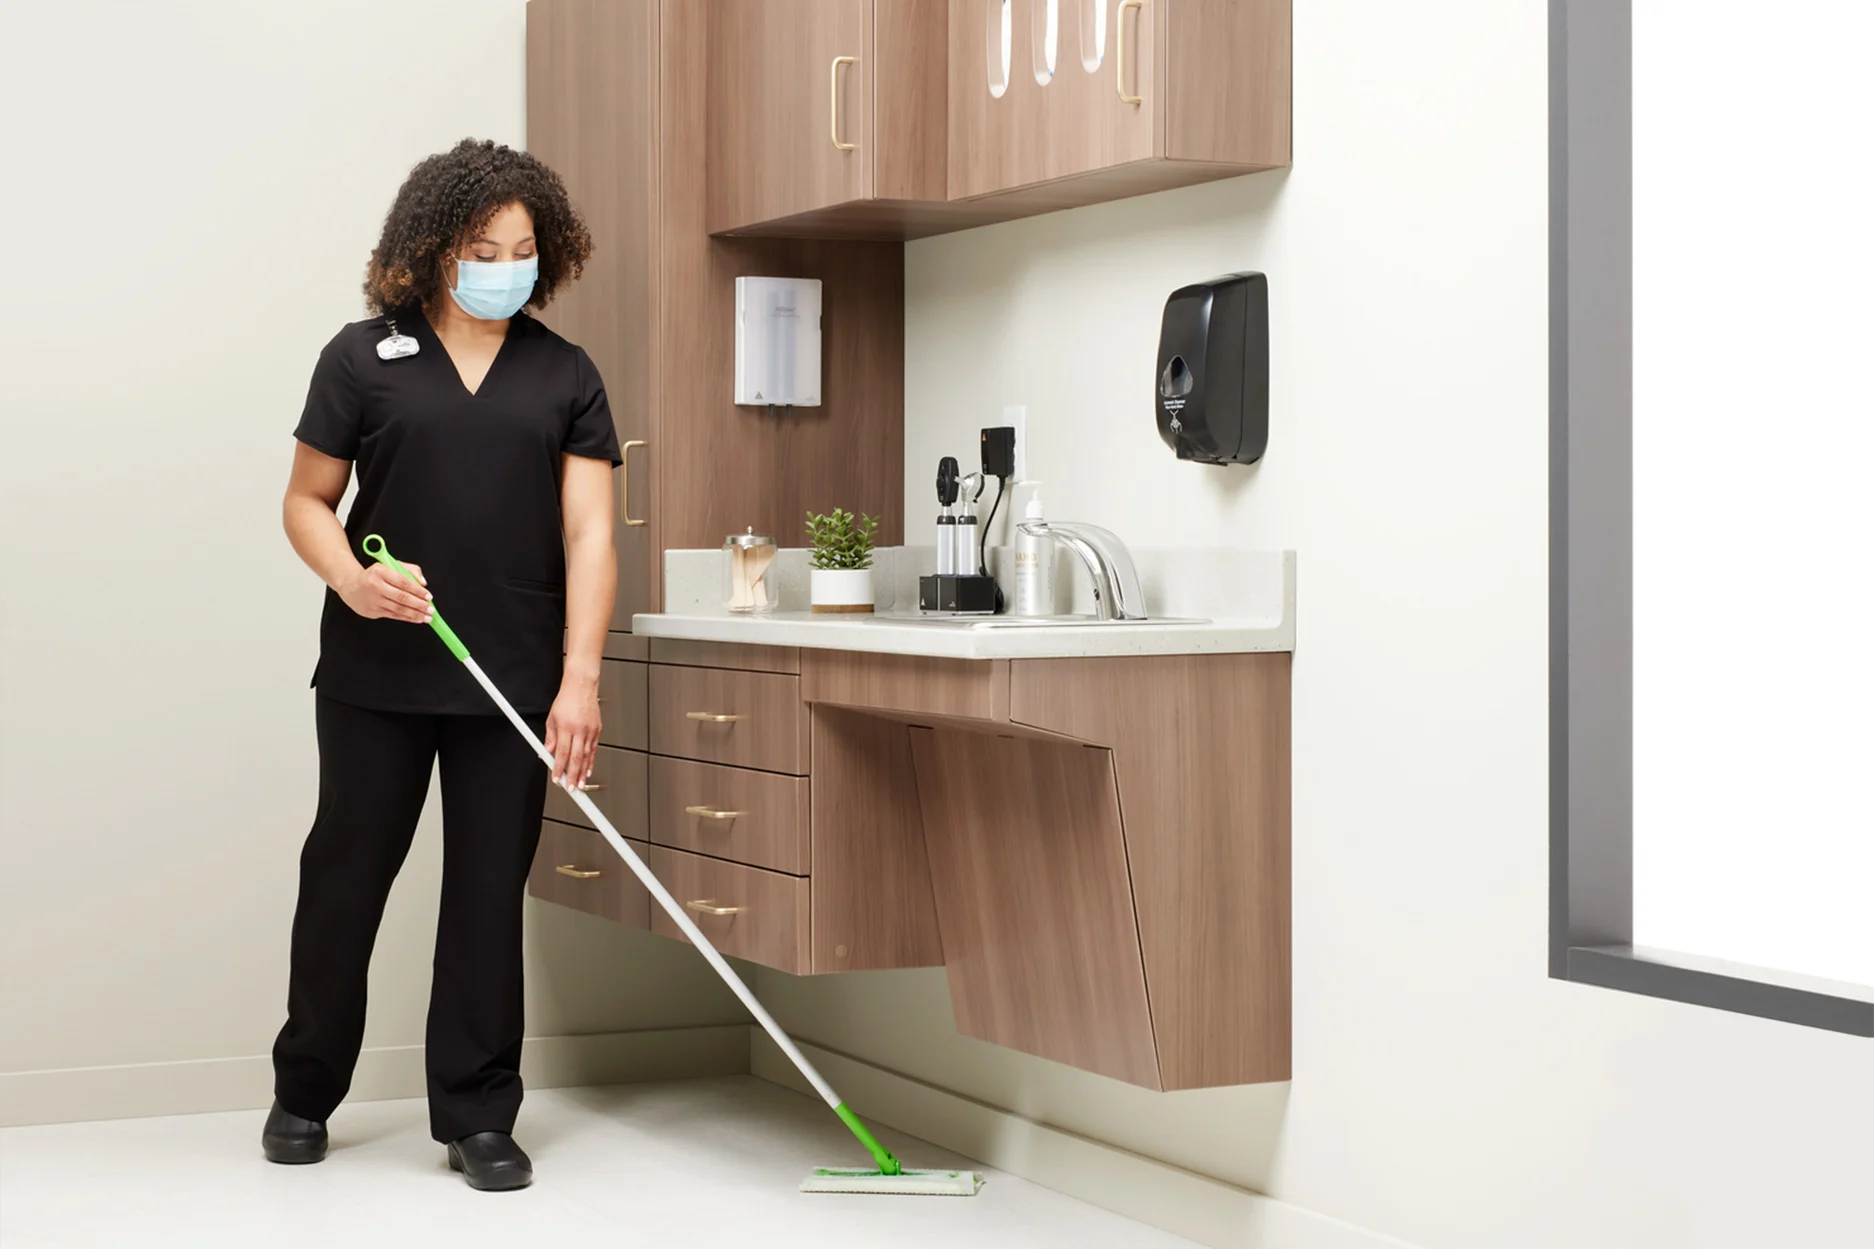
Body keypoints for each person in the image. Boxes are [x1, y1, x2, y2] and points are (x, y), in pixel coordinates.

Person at [267, 138, 619, 1191]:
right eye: (482, 247)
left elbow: (592, 536)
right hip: (377, 675)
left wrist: (581, 677)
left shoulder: (564, 374)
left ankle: (475, 1111)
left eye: (522, 248)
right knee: (345, 877)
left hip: (509, 683)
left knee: (483, 895)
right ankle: (304, 1089)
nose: (504, 265)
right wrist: (351, 580)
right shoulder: (360, 357)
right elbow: (305, 503)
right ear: (430, 249)